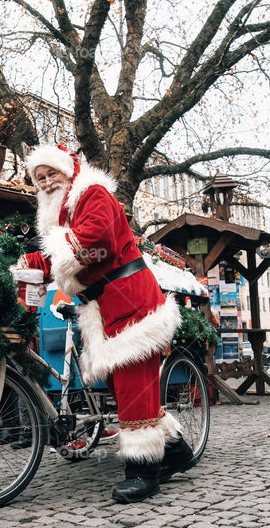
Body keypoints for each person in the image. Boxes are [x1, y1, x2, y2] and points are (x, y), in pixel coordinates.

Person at [15, 143, 191, 503]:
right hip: (105, 308)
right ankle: (175, 451)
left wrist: (53, 251)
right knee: (125, 387)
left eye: (53, 174)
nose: (47, 182)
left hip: (131, 303)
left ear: (70, 171)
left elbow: (97, 243)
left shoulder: (92, 194)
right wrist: (27, 261)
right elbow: (58, 255)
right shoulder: (63, 217)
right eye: (40, 178)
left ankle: (143, 471)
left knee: (131, 384)